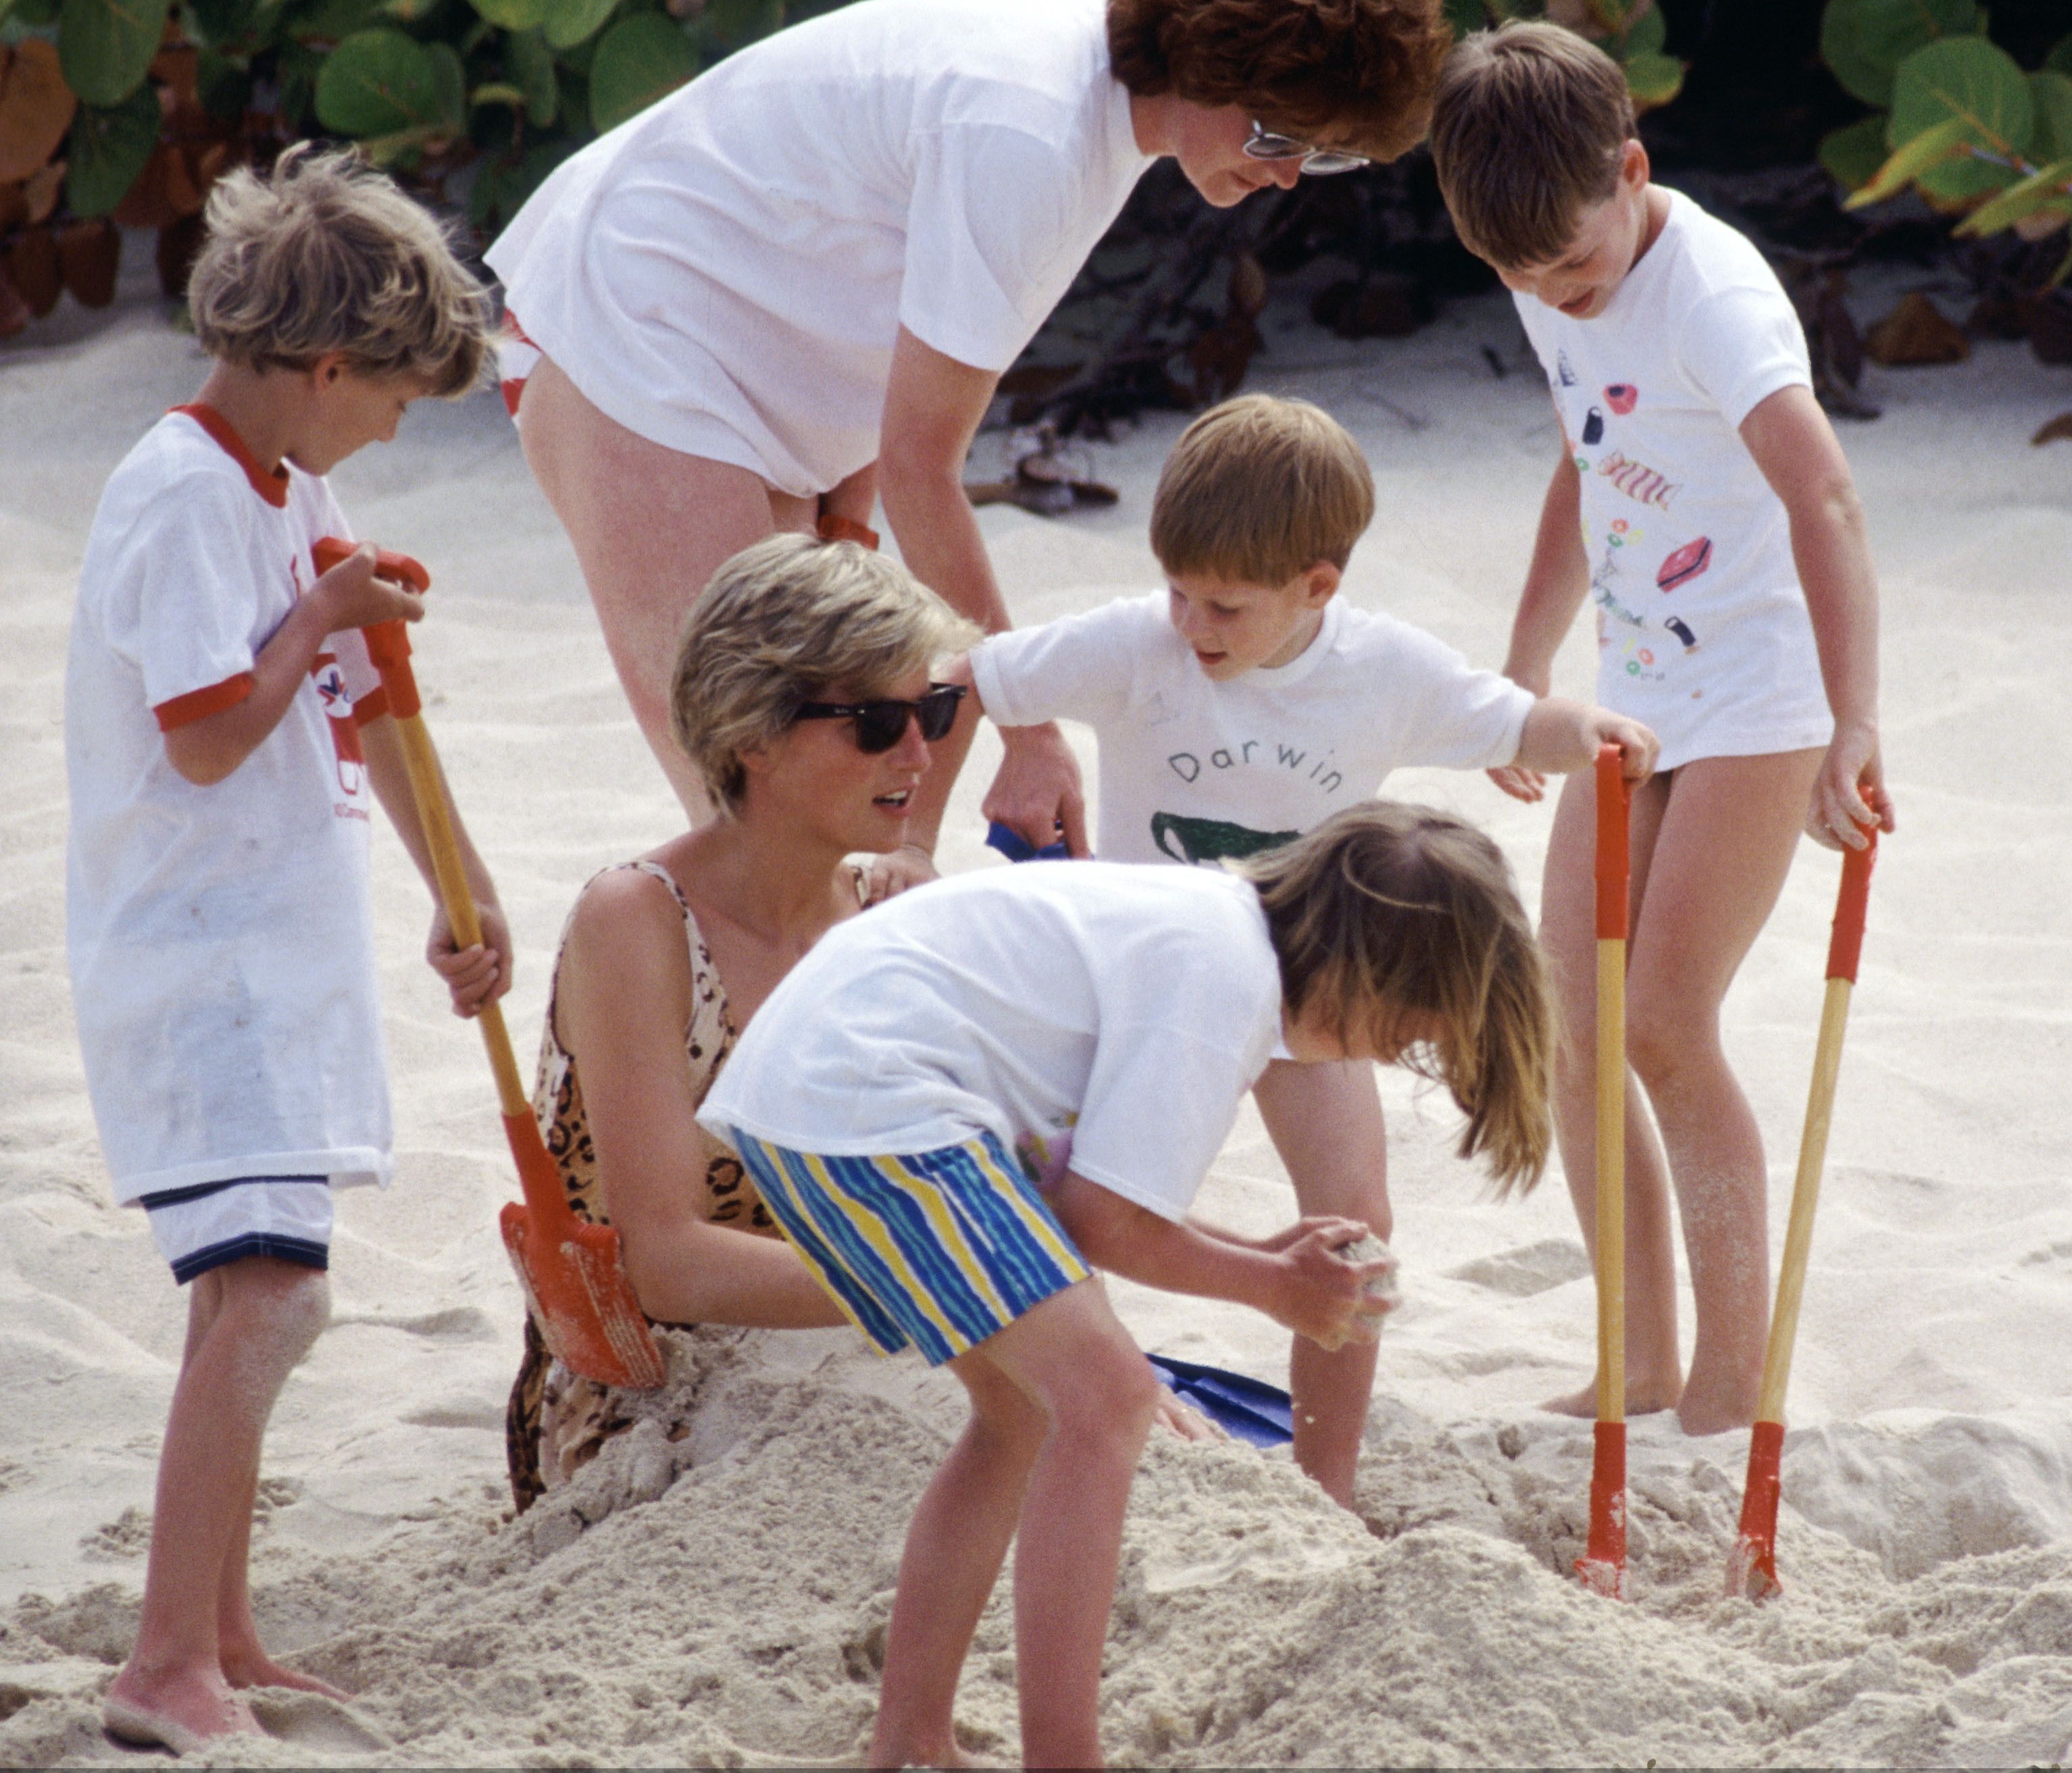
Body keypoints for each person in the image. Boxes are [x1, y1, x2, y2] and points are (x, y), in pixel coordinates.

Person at [488, 0, 1452, 852]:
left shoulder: (1094, 113)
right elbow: (924, 466)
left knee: (839, 817)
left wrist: (844, 527)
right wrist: (1028, 734)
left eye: (1323, 155)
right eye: (1283, 136)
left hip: (742, 363)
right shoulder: (1033, 132)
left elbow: (872, 313)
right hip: (626, 323)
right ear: (1213, 58)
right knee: (765, 824)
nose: (1288, 177)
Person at [695, 803, 1552, 1768]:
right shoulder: (1222, 977)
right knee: (1106, 1397)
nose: (1375, 1056)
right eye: (1400, 1031)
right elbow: (1105, 1222)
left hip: (822, 1093)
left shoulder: (1204, 926)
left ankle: (910, 1741)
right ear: (1368, 973)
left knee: (1021, 1416)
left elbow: (1078, 1194)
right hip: (872, 1104)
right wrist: (1272, 1286)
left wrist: (1261, 1257)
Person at [953, 392, 1655, 1505]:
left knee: (1355, 1216)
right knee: (1070, 1192)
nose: (1190, 623)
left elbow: (1518, 722)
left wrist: (1590, 733)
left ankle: (1324, 1486)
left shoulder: (1380, 669)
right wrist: (917, 824)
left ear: (1318, 586)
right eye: (1176, 589)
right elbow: (963, 677)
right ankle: (1060, 1404)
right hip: (1139, 997)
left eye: (1224, 604)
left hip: (1307, 995)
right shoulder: (1139, 643)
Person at [61, 147, 507, 1753]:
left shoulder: (291, 484)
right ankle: (163, 1665)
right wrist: (319, 622)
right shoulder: (181, 493)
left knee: (243, 1298)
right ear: (326, 367)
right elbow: (201, 736)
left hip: (271, 961)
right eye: (391, 399)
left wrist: (459, 882)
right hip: (200, 966)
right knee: (271, 1301)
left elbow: (366, 701)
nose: (394, 431)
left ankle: (219, 1626)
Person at [1427, 22, 1898, 1436]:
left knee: (1666, 1022)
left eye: (1570, 271)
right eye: (1518, 283)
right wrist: (1526, 663)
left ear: (1631, 174)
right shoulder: (1547, 272)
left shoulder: (1718, 305)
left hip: (1760, 693)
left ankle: (1731, 1386)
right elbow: (1590, 459)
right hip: (1636, 686)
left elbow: (1823, 502)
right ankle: (1632, 1354)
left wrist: (1852, 720)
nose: (1553, 304)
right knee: (1570, 1016)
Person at [501, 532, 976, 1507]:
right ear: (752, 733)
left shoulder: (889, 920)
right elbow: (664, 1261)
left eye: (930, 709)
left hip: (856, 1335)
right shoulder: (638, 918)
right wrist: (944, 1286)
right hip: (651, 1392)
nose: (922, 754)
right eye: (879, 722)